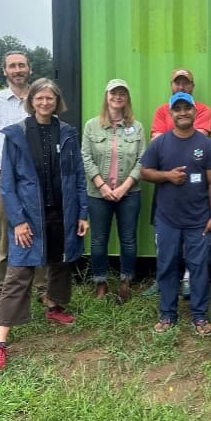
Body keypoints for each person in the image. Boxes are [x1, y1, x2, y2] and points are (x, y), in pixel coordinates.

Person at [0, 78, 89, 375]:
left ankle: (55, 307)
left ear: (57, 102)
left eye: (51, 99)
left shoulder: (67, 133)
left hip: (63, 212)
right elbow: (8, 185)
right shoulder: (17, 135)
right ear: (31, 101)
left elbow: (78, 176)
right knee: (19, 274)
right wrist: (18, 221)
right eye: (40, 98)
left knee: (61, 262)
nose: (45, 103)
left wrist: (81, 212)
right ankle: (1, 341)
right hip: (30, 218)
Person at [0, 50, 47, 316]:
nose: (17, 70)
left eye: (22, 65)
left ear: (29, 69)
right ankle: (1, 294)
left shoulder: (39, 100)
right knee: (5, 234)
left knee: (38, 230)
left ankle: (41, 290)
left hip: (35, 179)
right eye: (12, 66)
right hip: (3, 178)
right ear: (5, 71)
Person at [140, 91, 211, 336]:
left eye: (187, 108)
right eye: (178, 109)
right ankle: (167, 315)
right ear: (171, 113)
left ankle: (199, 316)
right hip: (167, 219)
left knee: (198, 268)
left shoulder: (206, 145)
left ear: (195, 112)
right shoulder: (160, 143)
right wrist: (167, 176)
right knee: (166, 267)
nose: (183, 113)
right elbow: (145, 172)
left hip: (199, 220)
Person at [143, 67, 211, 298]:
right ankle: (164, 279)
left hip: (194, 183)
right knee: (163, 235)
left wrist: (171, 141)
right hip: (165, 181)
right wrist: (172, 144)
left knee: (193, 236)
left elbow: (198, 138)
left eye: (186, 82)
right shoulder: (162, 109)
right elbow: (156, 141)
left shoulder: (202, 109)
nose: (181, 86)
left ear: (192, 86)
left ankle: (187, 279)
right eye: (177, 82)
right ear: (171, 85)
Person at [81, 78, 145, 303]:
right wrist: (103, 186)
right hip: (98, 194)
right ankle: (100, 282)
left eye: (122, 93)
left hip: (129, 193)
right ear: (106, 97)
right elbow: (86, 158)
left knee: (128, 239)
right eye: (113, 93)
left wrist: (125, 186)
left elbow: (141, 159)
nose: (117, 97)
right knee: (98, 240)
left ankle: (126, 281)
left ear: (127, 98)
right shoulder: (92, 126)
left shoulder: (136, 128)